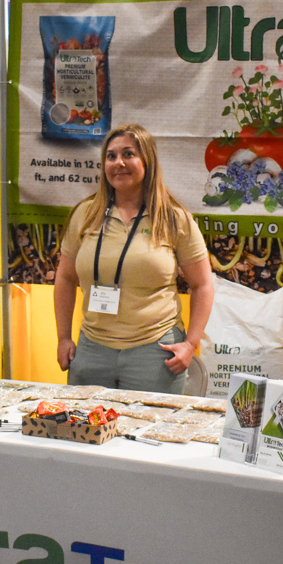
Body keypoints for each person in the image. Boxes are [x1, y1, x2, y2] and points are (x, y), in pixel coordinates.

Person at [54, 123, 214, 394]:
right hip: (92, 350)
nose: (119, 163)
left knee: (151, 422)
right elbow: (66, 278)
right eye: (111, 156)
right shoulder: (85, 214)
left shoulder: (173, 218)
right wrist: (63, 337)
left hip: (154, 351)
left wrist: (190, 344)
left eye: (129, 154)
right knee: (87, 420)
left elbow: (203, 284)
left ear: (147, 161)